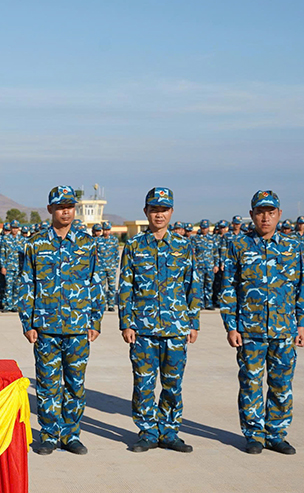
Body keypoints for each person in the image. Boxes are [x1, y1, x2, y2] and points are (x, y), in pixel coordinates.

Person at [18, 186, 103, 456]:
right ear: (50, 209)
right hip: (46, 327)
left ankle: (71, 435)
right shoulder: (35, 244)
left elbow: (96, 283)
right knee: (47, 385)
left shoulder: (87, 243)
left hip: (78, 327)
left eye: (70, 206)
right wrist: (28, 323)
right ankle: (49, 434)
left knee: (75, 385)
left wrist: (96, 321)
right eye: (60, 207)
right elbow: (26, 284)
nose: (66, 211)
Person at [220, 190, 304, 455]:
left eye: (270, 212)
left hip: (284, 329)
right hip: (250, 330)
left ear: (279, 215)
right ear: (251, 215)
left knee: (281, 384)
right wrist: (231, 326)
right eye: (260, 212)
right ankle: (254, 435)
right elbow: (229, 287)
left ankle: (276, 434)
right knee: (251, 384)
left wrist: (301, 324)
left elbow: (301, 287)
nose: (265, 218)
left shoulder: (293, 247)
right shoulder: (239, 245)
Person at [118, 188, 200, 454]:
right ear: (146, 212)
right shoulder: (134, 246)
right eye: (154, 210)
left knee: (172, 384)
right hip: (143, 328)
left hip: (175, 327)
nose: (159, 214)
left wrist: (193, 322)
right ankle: (147, 432)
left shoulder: (183, 246)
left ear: (171, 212)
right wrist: (126, 323)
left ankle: (170, 432)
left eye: (164, 210)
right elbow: (126, 286)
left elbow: (192, 285)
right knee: (143, 384)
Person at [98, 221, 120, 312]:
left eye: (108, 230)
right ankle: (102, 305)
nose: (106, 232)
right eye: (105, 230)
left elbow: (116, 253)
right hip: (101, 268)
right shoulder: (98, 240)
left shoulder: (114, 240)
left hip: (111, 267)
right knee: (102, 287)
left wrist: (116, 265)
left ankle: (111, 304)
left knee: (112, 287)